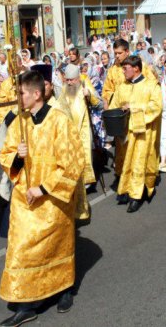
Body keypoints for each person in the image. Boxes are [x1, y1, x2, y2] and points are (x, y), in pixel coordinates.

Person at [0, 71, 84, 326]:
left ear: (36, 94)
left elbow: (73, 162)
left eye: (21, 93)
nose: (18, 97)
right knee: (21, 248)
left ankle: (64, 289)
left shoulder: (59, 121)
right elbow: (6, 154)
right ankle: (26, 303)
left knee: (56, 247)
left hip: (53, 200)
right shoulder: (19, 121)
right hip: (24, 199)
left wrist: (44, 188)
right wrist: (18, 157)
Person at [108, 55, 162, 213]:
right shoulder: (122, 87)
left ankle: (136, 196)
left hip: (143, 134)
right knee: (127, 163)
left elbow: (156, 106)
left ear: (136, 68)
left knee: (139, 164)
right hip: (125, 135)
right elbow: (114, 107)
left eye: (125, 69)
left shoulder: (151, 85)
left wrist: (133, 107)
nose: (122, 72)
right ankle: (127, 190)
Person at [57, 63, 103, 220]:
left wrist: (89, 95)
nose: (69, 83)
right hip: (69, 131)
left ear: (78, 78)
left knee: (84, 159)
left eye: (72, 80)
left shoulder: (85, 83)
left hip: (83, 129)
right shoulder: (63, 89)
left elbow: (99, 103)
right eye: (67, 80)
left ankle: (84, 187)